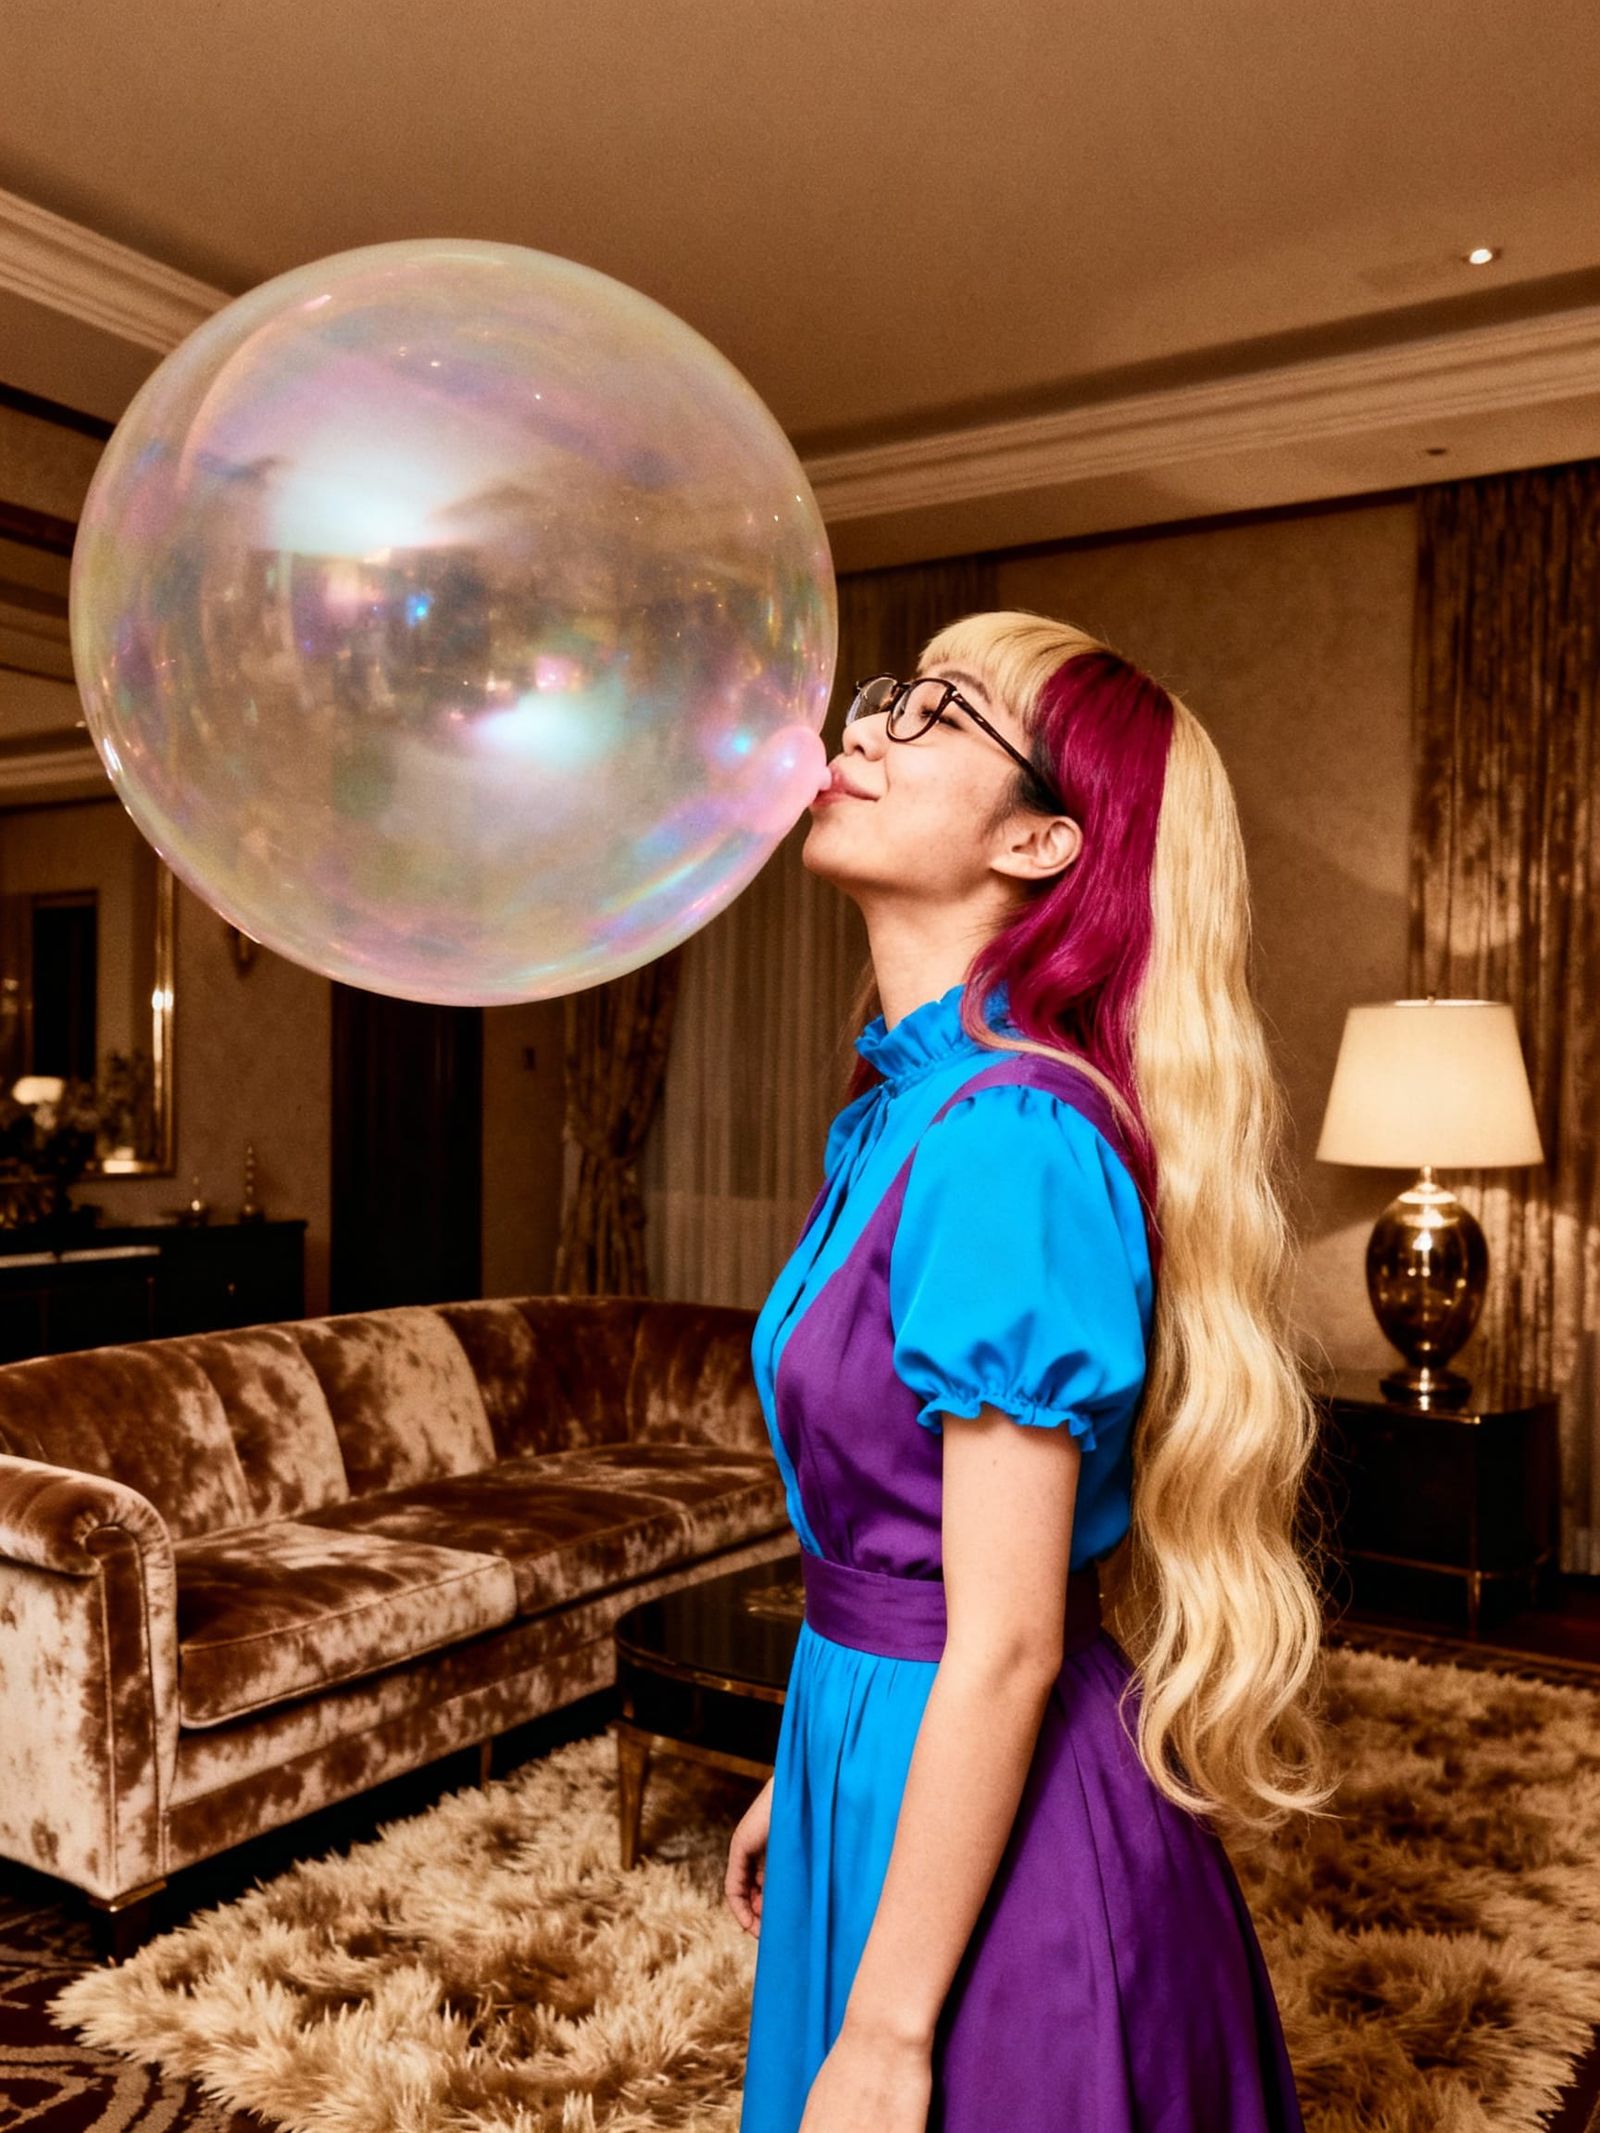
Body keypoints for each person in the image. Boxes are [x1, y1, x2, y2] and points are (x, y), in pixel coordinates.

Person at [724, 610, 1336, 2133]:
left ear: (1045, 843)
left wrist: (880, 2032)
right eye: (885, 696)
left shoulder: (1007, 1135)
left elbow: (1003, 1638)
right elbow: (904, 1558)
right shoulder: (911, 1108)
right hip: (883, 1741)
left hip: (1022, 1814)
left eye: (934, 714)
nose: (861, 726)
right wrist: (805, 1781)